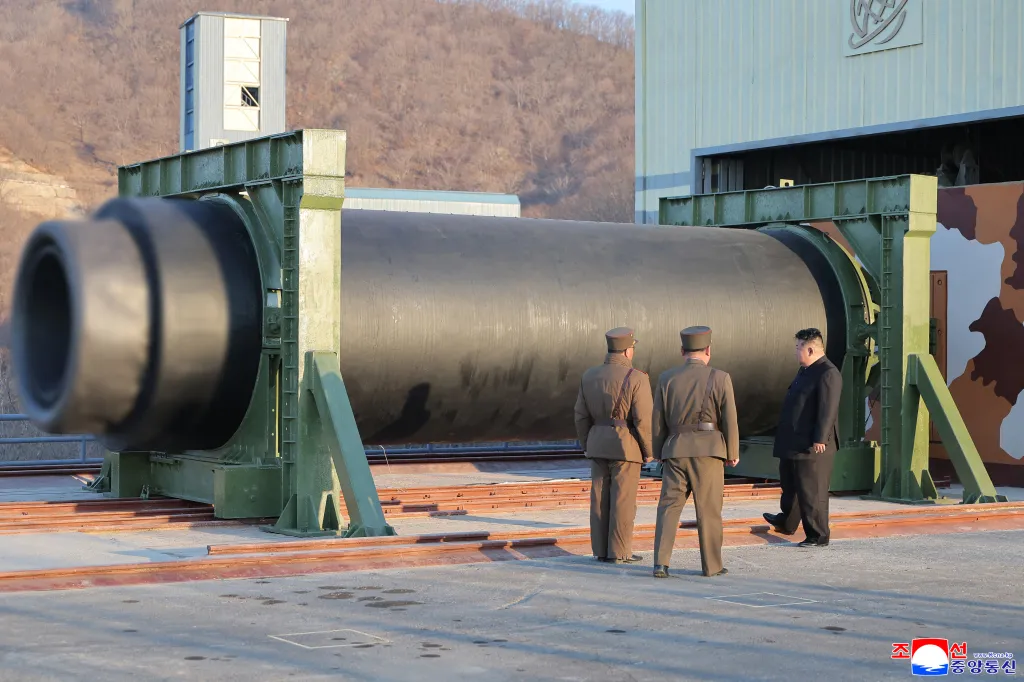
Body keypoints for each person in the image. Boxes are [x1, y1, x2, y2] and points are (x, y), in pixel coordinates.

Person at [651, 326, 739, 578]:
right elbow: (730, 419)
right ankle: (712, 566)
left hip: (676, 449)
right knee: (709, 509)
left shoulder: (666, 378)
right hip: (709, 450)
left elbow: (658, 419)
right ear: (708, 350)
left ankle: (660, 563)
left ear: (682, 351)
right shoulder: (721, 377)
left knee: (669, 507)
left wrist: (659, 451)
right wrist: (732, 451)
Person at [574, 326, 654, 564]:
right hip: (626, 446)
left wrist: (586, 443)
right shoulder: (637, 378)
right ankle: (619, 552)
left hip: (597, 443)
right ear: (629, 351)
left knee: (599, 498)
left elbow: (580, 415)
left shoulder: (589, 375)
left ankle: (600, 550)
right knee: (623, 501)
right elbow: (643, 420)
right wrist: (649, 451)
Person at [763, 328, 843, 547]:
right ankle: (787, 522)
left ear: (810, 349)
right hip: (794, 442)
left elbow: (828, 409)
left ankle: (818, 535)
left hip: (813, 445)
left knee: (812, 491)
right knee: (791, 485)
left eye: (798, 347)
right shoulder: (805, 370)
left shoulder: (828, 372)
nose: (795, 351)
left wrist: (820, 438)